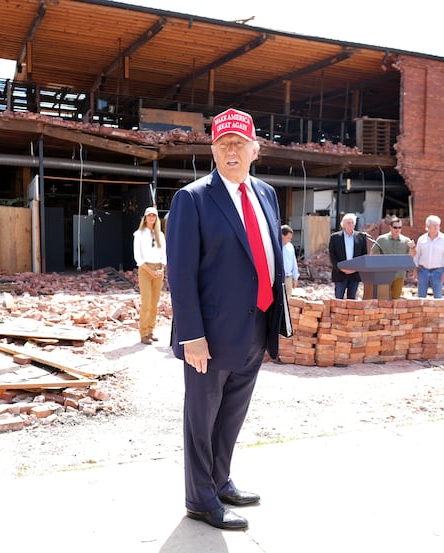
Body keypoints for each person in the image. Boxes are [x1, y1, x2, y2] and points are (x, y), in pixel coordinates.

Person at [166, 108, 285, 531]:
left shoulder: (267, 194)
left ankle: (220, 480)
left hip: (256, 324)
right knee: (202, 418)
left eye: (238, 143)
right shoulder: (193, 199)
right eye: (222, 145)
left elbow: (267, 257)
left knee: (232, 414)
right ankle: (200, 499)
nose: (230, 151)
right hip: (209, 336)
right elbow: (179, 274)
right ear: (213, 151)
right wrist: (192, 336)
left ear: (256, 149)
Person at [133, 206, 167, 345]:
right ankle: (143, 333)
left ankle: (150, 330)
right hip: (146, 269)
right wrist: (150, 271)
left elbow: (164, 254)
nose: (151, 218)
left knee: (154, 303)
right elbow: (138, 257)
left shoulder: (160, 235)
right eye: (149, 216)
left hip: (158, 270)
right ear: (145, 218)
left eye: (154, 216)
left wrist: (161, 268)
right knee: (146, 302)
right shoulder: (139, 234)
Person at [371, 217, 415, 299]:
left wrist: (412, 248)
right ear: (390, 227)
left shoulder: (406, 241)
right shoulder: (382, 239)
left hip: (399, 275)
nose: (397, 229)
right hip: (384, 275)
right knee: (383, 299)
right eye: (395, 227)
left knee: (395, 300)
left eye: (399, 227)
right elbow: (373, 253)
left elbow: (412, 256)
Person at [412, 215, 444, 298]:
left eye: (437, 225)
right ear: (428, 227)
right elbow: (417, 256)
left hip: (438, 272)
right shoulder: (422, 239)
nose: (436, 227)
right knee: (421, 298)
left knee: (438, 298)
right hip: (422, 271)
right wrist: (415, 271)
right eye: (434, 225)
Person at [328, 213, 368, 299]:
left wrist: (356, 269)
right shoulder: (335, 237)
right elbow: (332, 255)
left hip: (355, 274)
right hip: (340, 273)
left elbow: (364, 255)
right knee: (338, 299)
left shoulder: (361, 237)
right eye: (348, 223)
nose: (350, 225)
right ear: (343, 224)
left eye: (352, 222)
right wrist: (341, 268)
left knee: (352, 300)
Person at [281, 224, 299, 299]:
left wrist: (295, 278)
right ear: (282, 235)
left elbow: (294, 263)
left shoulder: (290, 246)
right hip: (280, 277)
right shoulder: (276, 246)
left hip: (288, 278)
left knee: (287, 300)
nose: (289, 240)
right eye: (288, 238)